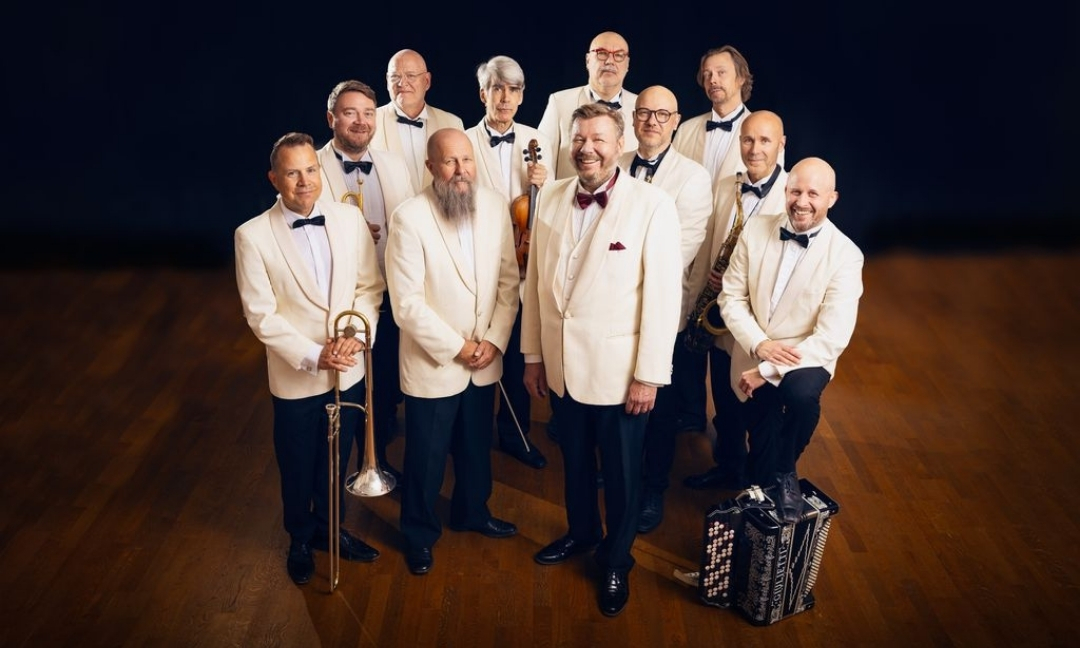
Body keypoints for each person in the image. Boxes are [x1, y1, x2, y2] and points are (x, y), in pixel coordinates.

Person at [522, 103, 682, 617]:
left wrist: (649, 376)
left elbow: (663, 298)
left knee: (621, 475)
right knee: (574, 464)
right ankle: (582, 532)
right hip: (562, 367)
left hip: (620, 374)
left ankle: (616, 560)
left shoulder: (652, 205)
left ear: (619, 145)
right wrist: (533, 355)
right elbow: (535, 284)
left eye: (598, 140)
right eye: (579, 139)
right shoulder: (550, 197)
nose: (587, 148)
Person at [235, 132, 384, 585]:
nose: (305, 181)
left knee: (335, 461)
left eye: (311, 170)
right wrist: (316, 354)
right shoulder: (251, 235)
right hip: (297, 376)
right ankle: (300, 538)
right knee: (298, 463)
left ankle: (330, 530)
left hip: (349, 368)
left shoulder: (348, 219)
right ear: (274, 179)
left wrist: (356, 337)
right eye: (292, 173)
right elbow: (261, 315)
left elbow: (369, 288)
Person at [385, 128, 521, 576]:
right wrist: (460, 347)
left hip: (485, 357)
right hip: (435, 361)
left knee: (475, 447)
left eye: (466, 160)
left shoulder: (495, 206)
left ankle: (472, 512)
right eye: (449, 162)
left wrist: (494, 340)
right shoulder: (409, 217)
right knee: (426, 457)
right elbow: (406, 305)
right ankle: (419, 534)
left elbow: (508, 282)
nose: (461, 170)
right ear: (431, 167)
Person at [719, 157, 863, 522]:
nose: (802, 201)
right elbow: (730, 297)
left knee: (800, 398)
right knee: (760, 442)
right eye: (795, 191)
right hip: (755, 347)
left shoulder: (846, 256)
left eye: (813, 194)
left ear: (832, 199)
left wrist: (766, 370)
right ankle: (763, 497)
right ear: (785, 191)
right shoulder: (755, 230)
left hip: (806, 354)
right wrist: (759, 345)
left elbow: (831, 337)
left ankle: (785, 472)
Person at [616, 86, 712, 533]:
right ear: (633, 118)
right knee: (617, 396)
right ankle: (619, 472)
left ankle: (653, 486)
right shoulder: (614, 163)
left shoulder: (693, 178)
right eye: (644, 113)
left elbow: (677, 252)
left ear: (675, 121)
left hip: (662, 310)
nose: (651, 121)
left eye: (662, 114)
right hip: (611, 309)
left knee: (659, 407)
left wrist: (616, 262)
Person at [683, 110, 789, 493]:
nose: (754, 149)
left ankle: (757, 488)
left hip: (759, 321)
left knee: (757, 410)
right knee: (724, 400)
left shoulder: (791, 194)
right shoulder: (728, 185)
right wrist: (698, 296)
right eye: (747, 140)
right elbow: (709, 242)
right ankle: (728, 466)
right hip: (718, 311)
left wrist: (734, 280)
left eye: (765, 141)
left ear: (781, 145)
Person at [317, 79, 417, 485]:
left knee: (385, 383)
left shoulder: (394, 164)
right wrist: (350, 235)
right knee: (348, 387)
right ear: (331, 118)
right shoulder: (313, 166)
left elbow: (411, 223)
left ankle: (375, 460)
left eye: (368, 113)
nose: (361, 121)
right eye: (350, 113)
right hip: (342, 298)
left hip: (393, 289)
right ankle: (337, 473)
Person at [464, 55, 553, 470]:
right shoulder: (464, 141)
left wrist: (545, 186)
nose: (504, 98)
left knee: (518, 355)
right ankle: (472, 438)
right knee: (480, 354)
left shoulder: (538, 139)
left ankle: (517, 434)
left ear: (521, 95)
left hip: (524, 265)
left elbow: (556, 206)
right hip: (479, 264)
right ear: (483, 93)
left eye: (513, 90)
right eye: (496, 88)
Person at [669, 44, 759, 437]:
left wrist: (735, 266)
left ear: (741, 78)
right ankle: (689, 412)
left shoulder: (760, 130)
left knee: (723, 345)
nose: (712, 80)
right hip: (688, 243)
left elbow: (764, 204)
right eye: (706, 74)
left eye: (721, 72)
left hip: (730, 253)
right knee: (685, 330)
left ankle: (728, 435)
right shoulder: (688, 129)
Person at [538, 31, 639, 180]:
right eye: (602, 53)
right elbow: (542, 161)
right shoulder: (559, 102)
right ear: (588, 60)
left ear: (627, 64)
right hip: (570, 194)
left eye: (618, 55)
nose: (610, 61)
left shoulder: (641, 107)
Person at [371, 49, 465, 194]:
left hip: (440, 208)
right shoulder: (368, 122)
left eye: (411, 76)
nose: (402, 83)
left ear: (427, 81)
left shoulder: (452, 123)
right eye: (395, 77)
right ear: (387, 81)